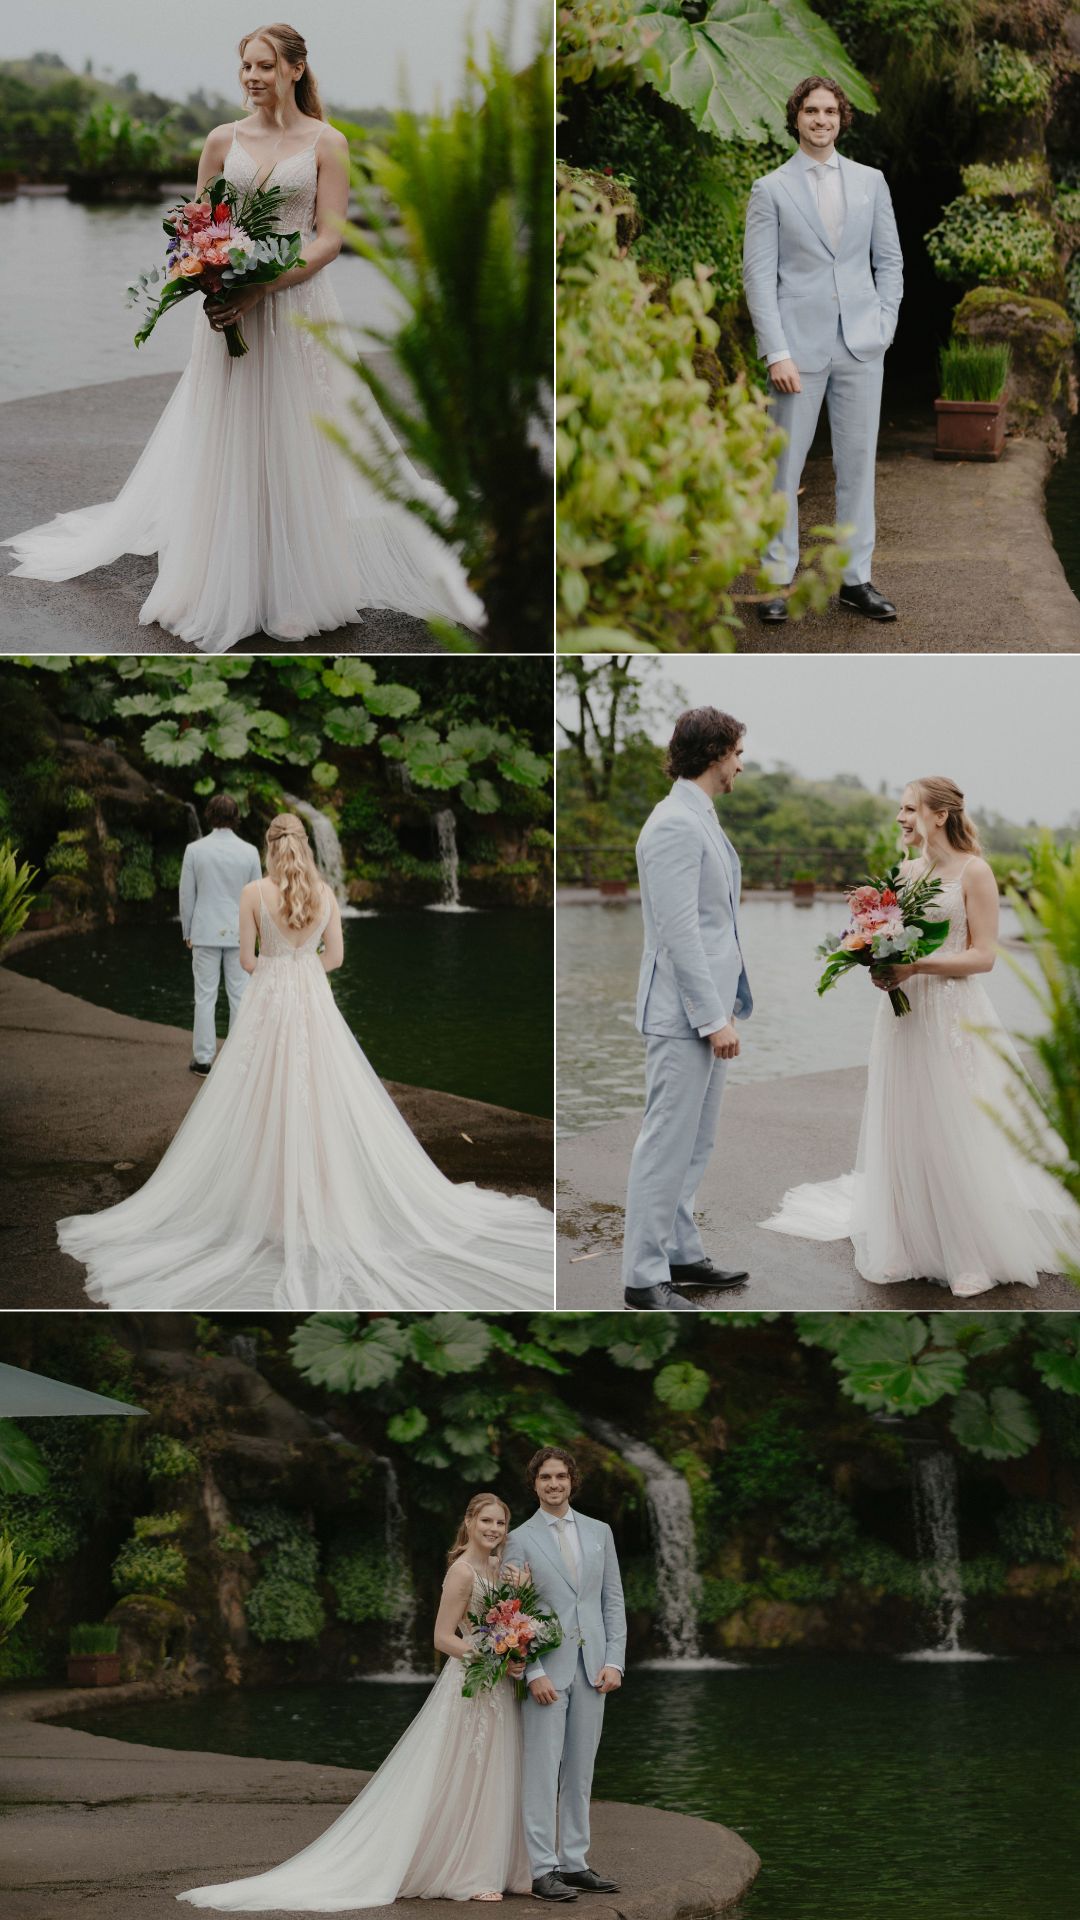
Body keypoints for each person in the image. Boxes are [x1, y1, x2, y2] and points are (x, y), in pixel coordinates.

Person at [2, 23, 483, 652]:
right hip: (230, 311)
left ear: (293, 69)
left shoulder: (327, 142)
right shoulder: (221, 140)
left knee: (297, 438)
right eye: (245, 68)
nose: (251, 77)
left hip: (296, 310)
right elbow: (198, 226)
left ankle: (295, 587)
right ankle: (221, 576)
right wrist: (207, 273)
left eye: (262, 66)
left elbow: (330, 240)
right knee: (229, 435)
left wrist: (263, 286)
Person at [56, 814, 553, 1309]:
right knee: (321, 1097)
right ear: (305, 846)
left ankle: (268, 1208)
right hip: (313, 1003)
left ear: (269, 847)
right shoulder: (325, 892)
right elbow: (334, 958)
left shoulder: (254, 893)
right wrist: (301, 966)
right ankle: (321, 1203)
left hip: (269, 1003)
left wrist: (279, 967)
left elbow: (247, 962)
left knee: (259, 1099)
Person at [761, 777, 1080, 1293]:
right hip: (903, 1018)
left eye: (909, 809)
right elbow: (891, 940)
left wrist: (917, 966)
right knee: (905, 1119)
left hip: (954, 1014)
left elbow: (984, 957)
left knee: (955, 1123)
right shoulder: (906, 873)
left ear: (939, 815)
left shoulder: (975, 872)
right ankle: (905, 1242)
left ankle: (970, 1251)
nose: (900, 818)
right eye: (900, 808)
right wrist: (880, 965)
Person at [178, 1494, 532, 1910]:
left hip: (497, 1687)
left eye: (501, 1524)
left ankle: (499, 1865)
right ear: (469, 1522)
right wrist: (489, 1654)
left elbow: (504, 1622)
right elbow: (441, 1638)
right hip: (471, 1685)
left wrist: (515, 1632)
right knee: (465, 1774)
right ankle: (469, 1873)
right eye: (487, 1521)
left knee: (494, 1772)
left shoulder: (499, 1569)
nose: (494, 1529)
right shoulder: (461, 1571)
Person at [742, 76, 903, 626]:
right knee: (783, 471)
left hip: (861, 345)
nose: (821, 120)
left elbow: (891, 262)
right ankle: (774, 580)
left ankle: (856, 580)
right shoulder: (771, 189)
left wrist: (883, 326)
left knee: (857, 467)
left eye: (830, 111)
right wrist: (775, 352)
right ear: (797, 118)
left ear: (842, 118)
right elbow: (759, 279)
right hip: (796, 352)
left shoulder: (870, 182)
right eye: (811, 111)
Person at [621, 708, 753, 1312]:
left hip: (708, 1008)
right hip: (685, 1016)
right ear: (716, 753)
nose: (742, 763)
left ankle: (680, 1251)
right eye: (738, 752)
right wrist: (712, 1018)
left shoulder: (699, 815)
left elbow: (714, 920)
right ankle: (644, 1278)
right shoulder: (673, 824)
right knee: (665, 1143)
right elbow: (678, 933)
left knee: (696, 1142)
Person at [503, 1449, 626, 1905]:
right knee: (542, 1768)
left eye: (561, 1476)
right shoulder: (519, 1538)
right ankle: (543, 1869)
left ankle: (574, 1862)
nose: (554, 1484)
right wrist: (531, 1670)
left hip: (594, 1667)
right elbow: (512, 1611)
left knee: (581, 1769)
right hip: (546, 1671)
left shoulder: (600, 1532)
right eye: (545, 1477)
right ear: (534, 1484)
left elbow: (611, 1600)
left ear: (572, 1481)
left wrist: (615, 1660)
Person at [179, 794, 263, 1076]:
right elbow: (257, 896)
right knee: (239, 995)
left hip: (204, 932)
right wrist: (259, 934)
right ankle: (238, 1059)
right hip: (241, 933)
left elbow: (187, 895)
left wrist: (187, 931)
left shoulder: (194, 850)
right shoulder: (250, 851)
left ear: (210, 815)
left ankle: (203, 1059)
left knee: (205, 996)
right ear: (236, 816)